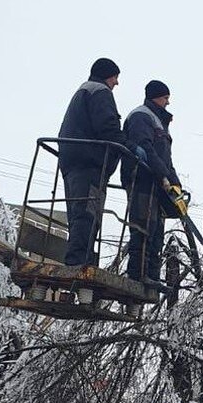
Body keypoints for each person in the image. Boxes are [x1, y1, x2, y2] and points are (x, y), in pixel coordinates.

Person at [58, 58, 144, 271]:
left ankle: (80, 258)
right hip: (90, 162)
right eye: (115, 77)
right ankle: (78, 263)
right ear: (108, 75)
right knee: (87, 213)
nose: (117, 83)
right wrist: (130, 147)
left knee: (78, 212)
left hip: (72, 160)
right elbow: (107, 128)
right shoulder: (100, 92)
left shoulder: (83, 92)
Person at [119, 80, 181, 290]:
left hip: (157, 182)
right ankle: (138, 275)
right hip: (141, 178)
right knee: (143, 226)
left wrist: (175, 184)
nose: (168, 102)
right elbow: (144, 147)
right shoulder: (140, 116)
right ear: (156, 97)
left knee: (156, 230)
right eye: (165, 98)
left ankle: (152, 276)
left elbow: (167, 159)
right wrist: (161, 174)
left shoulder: (160, 122)